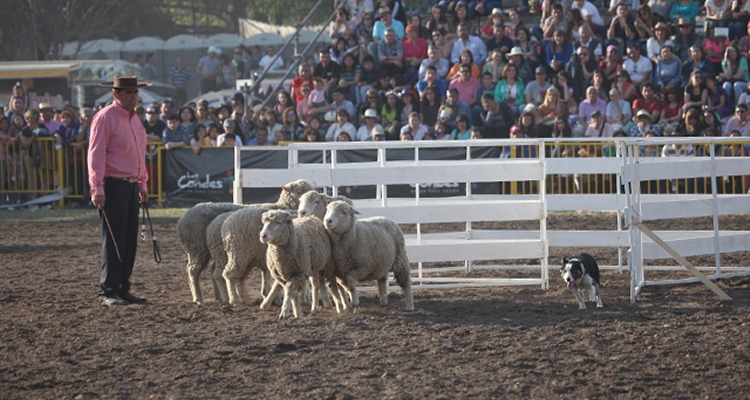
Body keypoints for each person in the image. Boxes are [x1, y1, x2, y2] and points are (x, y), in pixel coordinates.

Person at [88, 76, 150, 307]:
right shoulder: (105, 118)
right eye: (128, 92)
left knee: (129, 239)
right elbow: (96, 155)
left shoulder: (136, 120)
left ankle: (123, 287)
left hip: (131, 184)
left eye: (134, 91)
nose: (133, 96)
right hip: (112, 184)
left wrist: (142, 183)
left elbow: (140, 154)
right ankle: (108, 290)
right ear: (116, 94)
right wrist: (97, 187)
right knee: (114, 239)